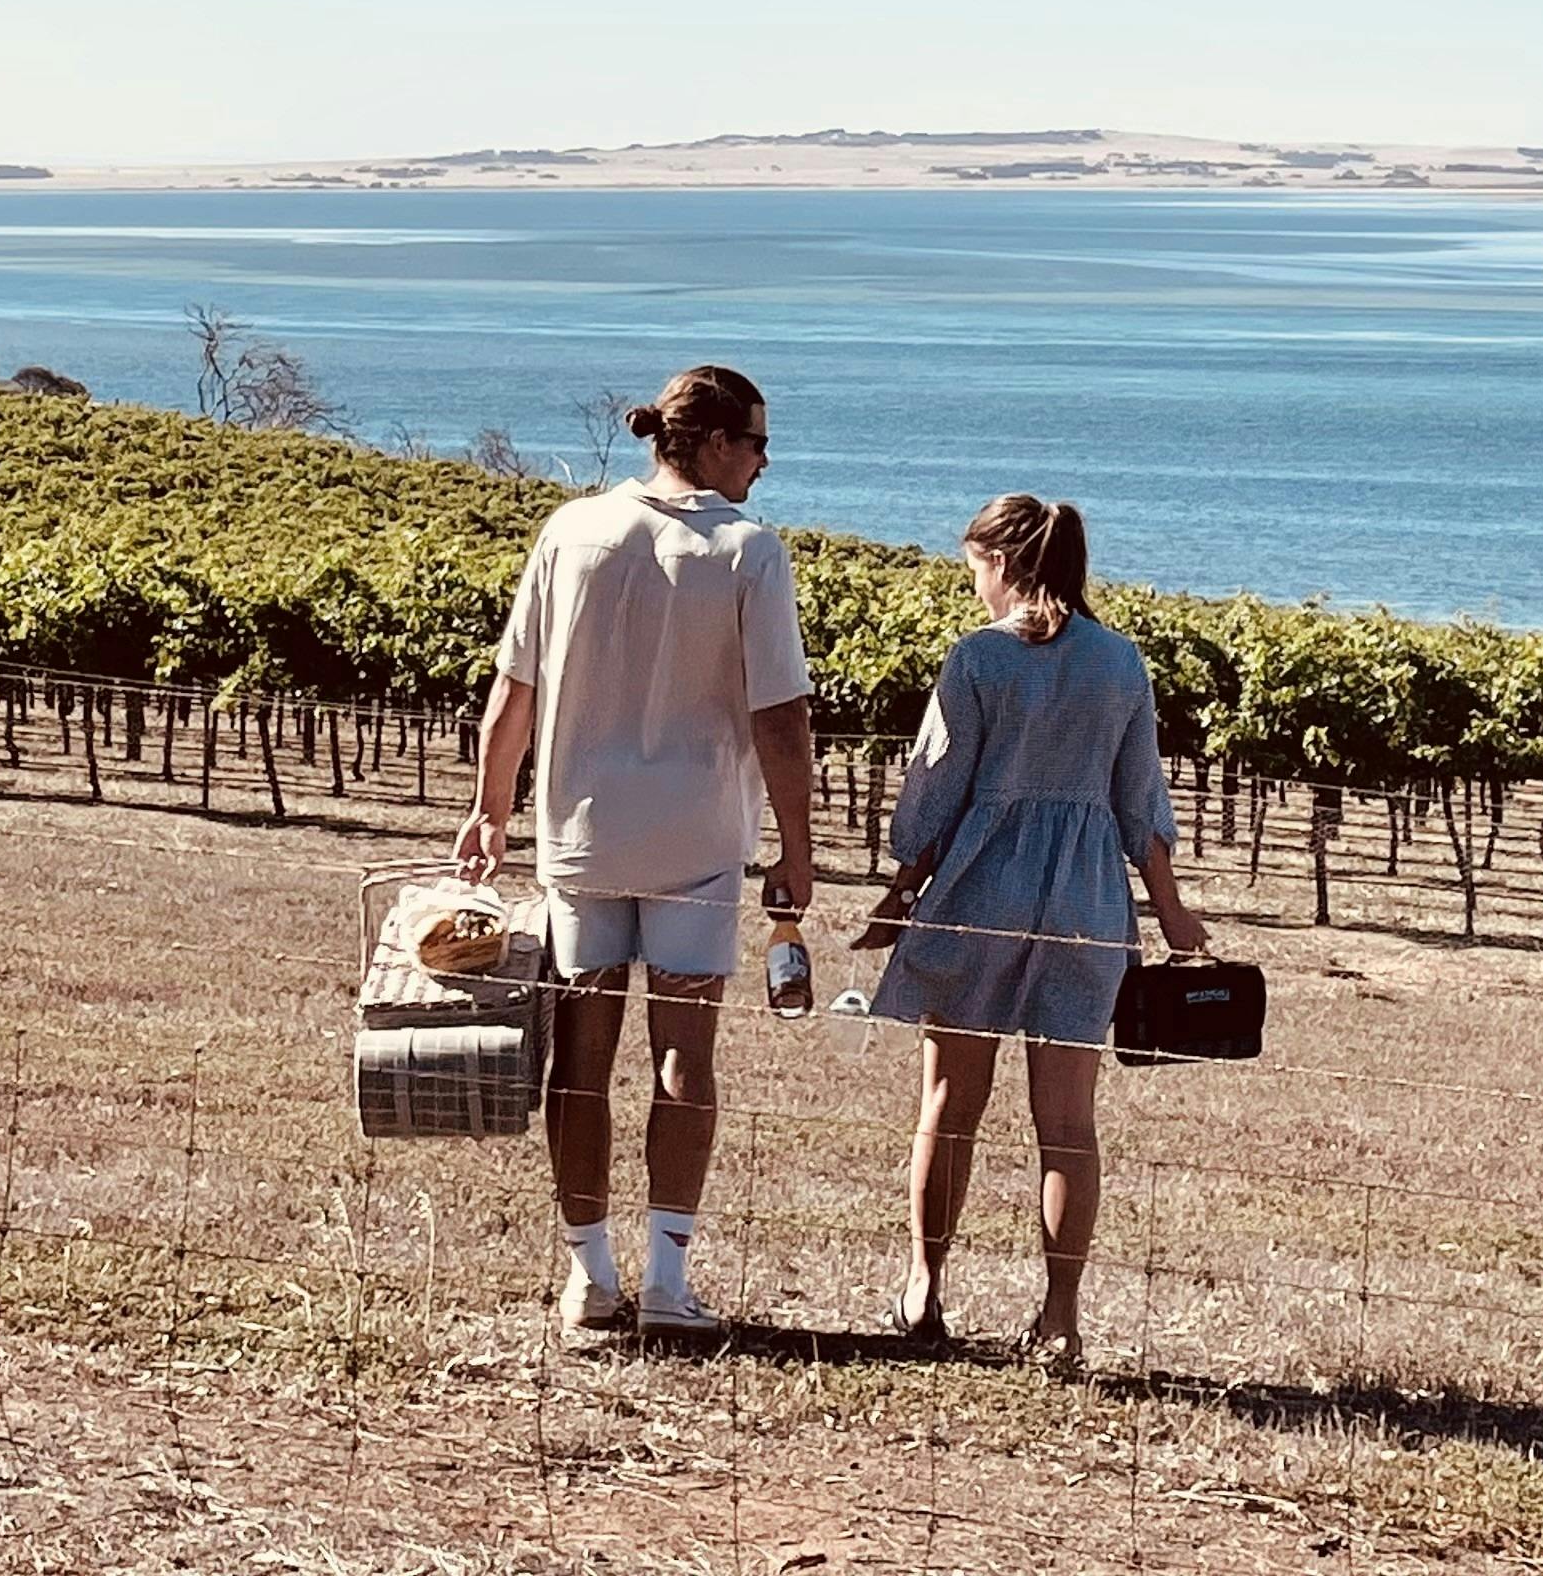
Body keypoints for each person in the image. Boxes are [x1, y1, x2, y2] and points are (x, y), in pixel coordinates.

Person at [458, 363, 816, 1340]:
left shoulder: (571, 532)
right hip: (697, 840)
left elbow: (512, 690)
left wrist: (492, 808)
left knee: (579, 1058)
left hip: (580, 832)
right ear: (707, 444)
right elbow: (781, 719)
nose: (764, 462)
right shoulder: (749, 552)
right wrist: (798, 843)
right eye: (754, 443)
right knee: (683, 1059)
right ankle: (665, 1277)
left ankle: (587, 1274)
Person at [855, 493, 1206, 1377]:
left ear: (1003, 563)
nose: (972, 584)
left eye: (974, 565)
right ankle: (1060, 1318)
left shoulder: (977, 661)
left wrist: (900, 890)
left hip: (984, 888)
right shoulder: (1121, 664)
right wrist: (1170, 913)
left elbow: (935, 795)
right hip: (1085, 899)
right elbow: (1142, 807)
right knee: (1067, 1121)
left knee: (950, 1104)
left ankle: (923, 1287)